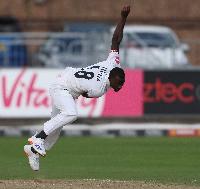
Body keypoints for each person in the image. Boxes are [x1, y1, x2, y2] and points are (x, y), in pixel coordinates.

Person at [24, 5, 131, 171]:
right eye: (120, 82)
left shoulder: (113, 62)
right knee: (71, 113)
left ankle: (32, 151)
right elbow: (86, 94)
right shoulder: (99, 89)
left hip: (66, 85)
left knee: (56, 128)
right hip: (62, 87)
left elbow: (116, 39)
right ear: (112, 77)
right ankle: (37, 138)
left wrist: (123, 17)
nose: (121, 85)